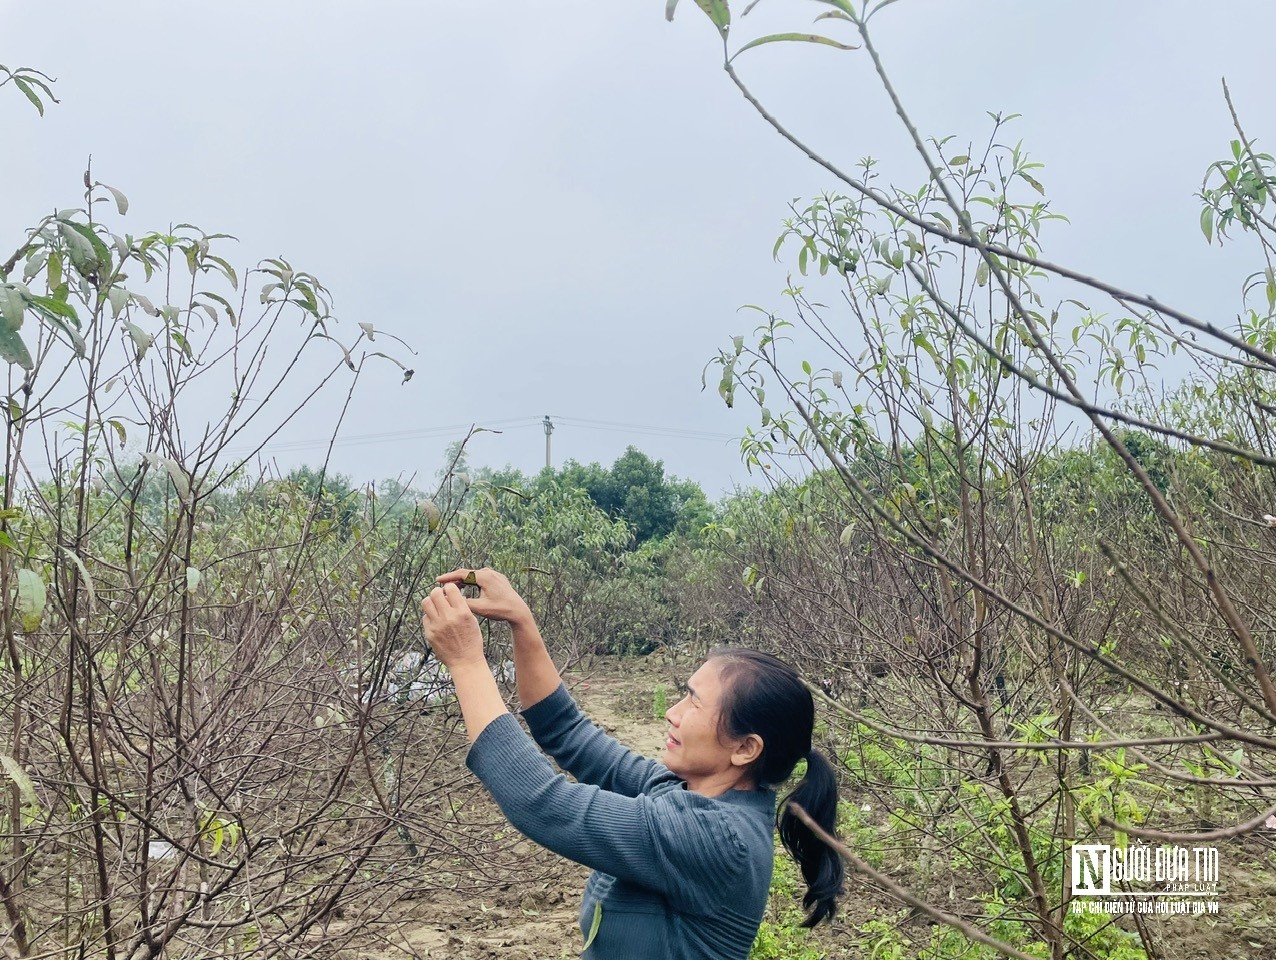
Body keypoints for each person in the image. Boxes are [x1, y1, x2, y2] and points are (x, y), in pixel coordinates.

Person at [420, 567, 844, 960]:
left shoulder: (717, 840)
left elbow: (543, 804)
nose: (672, 713)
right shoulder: (684, 790)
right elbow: (567, 732)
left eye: (694, 702)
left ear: (746, 749)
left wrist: (466, 662)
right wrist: (522, 622)